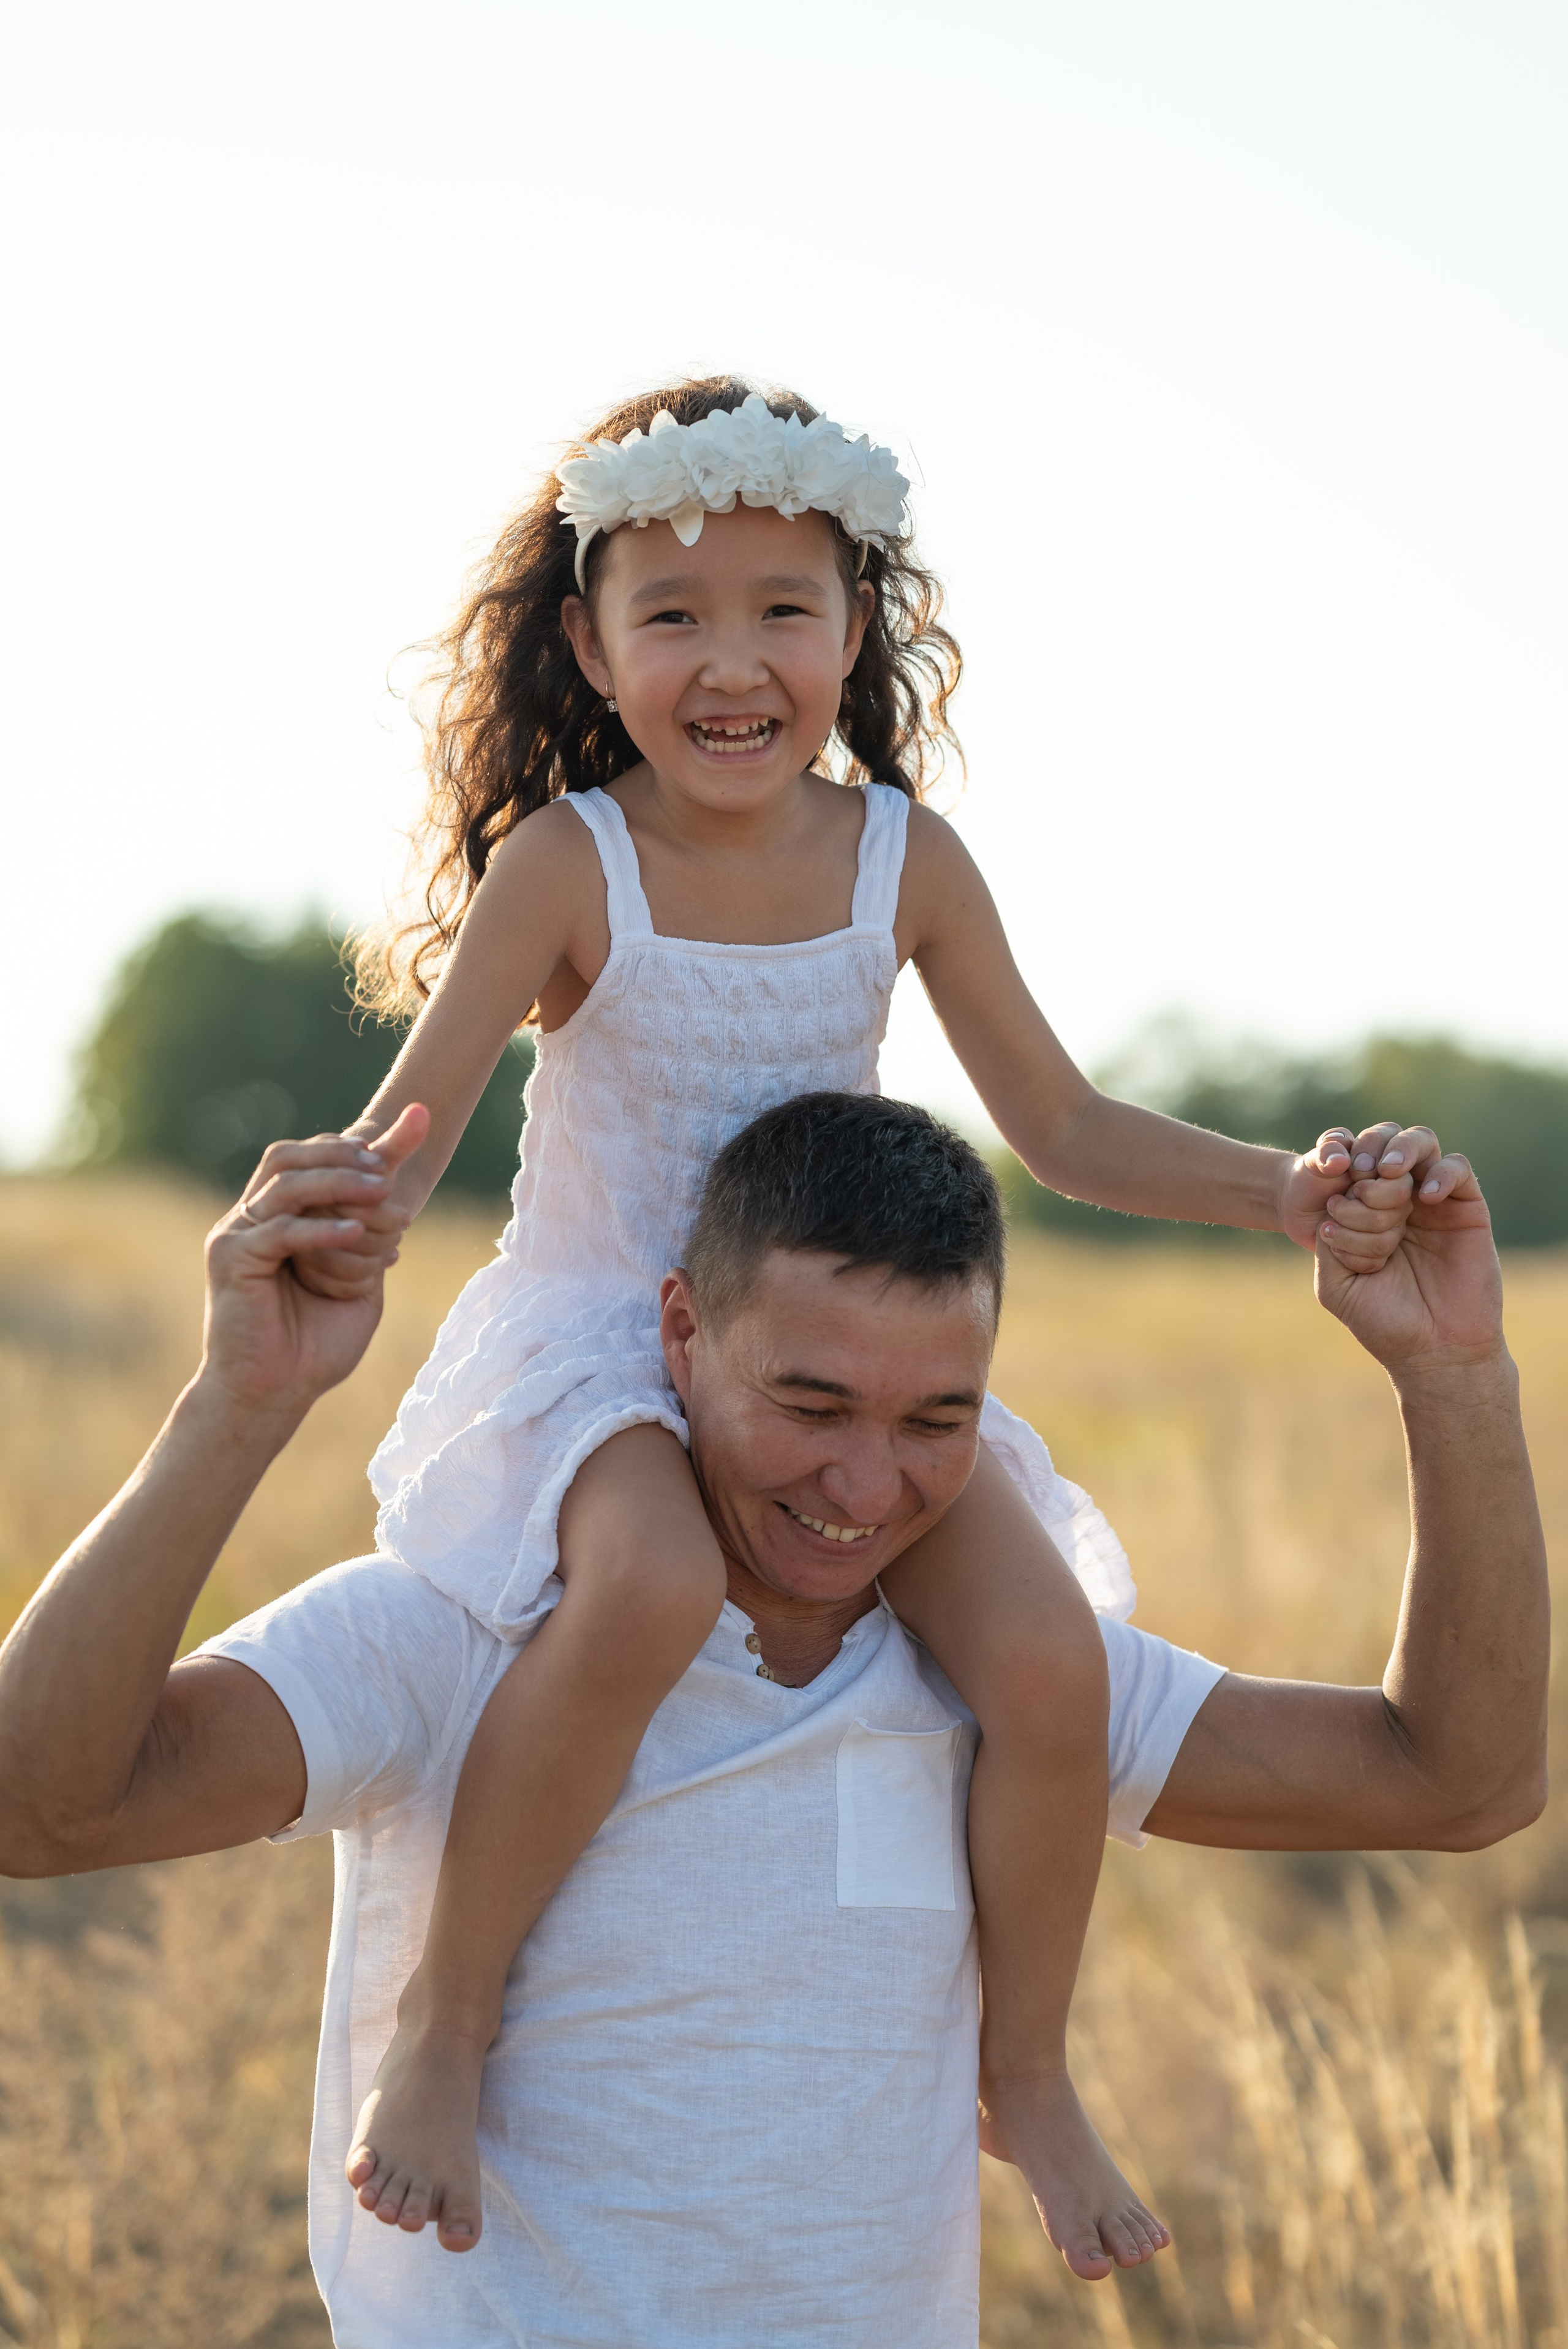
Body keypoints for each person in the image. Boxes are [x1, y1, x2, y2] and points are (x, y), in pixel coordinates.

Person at [261, 375, 1464, 2269]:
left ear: (858, 628)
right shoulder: (574, 862)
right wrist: (329, 1209)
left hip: (834, 1364)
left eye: (782, 611)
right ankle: (446, 2017)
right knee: (648, 1588)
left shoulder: (903, 859)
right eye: (672, 614)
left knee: (1052, 1658)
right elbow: (407, 1135)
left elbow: (1060, 1125)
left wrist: (1285, 1188)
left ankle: (1035, 2069)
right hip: (612, 1348)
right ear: (589, 641)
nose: (730, 664)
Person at [0, 1092, 1543, 2349]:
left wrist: (1451, 1370)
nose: (864, 1490)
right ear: (678, 1333)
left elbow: (1457, 1781)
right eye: (808, 1406)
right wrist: (241, 1404)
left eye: (935, 1421)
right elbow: (40, 1806)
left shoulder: (1019, 1685)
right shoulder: (461, 1629)